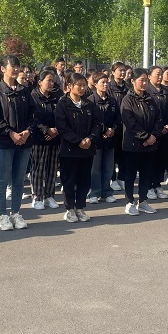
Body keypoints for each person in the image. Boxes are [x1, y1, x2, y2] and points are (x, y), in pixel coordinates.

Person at [0, 55, 35, 231]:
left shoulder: (24, 91)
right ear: (2, 69)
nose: (15, 69)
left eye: (17, 66)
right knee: (2, 180)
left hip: (24, 142)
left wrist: (28, 131)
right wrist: (10, 133)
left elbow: (33, 114)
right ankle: (2, 215)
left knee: (19, 180)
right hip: (4, 142)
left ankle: (16, 212)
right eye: (12, 66)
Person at [55, 73, 101, 223]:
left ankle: (80, 207)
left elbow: (97, 124)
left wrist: (90, 139)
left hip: (87, 149)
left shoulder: (89, 104)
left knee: (84, 180)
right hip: (69, 150)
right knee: (69, 180)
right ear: (70, 86)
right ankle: (70, 209)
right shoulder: (63, 104)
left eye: (84, 85)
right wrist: (77, 141)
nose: (82, 88)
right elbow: (62, 127)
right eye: (78, 85)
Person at [120, 68, 162, 216]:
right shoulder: (127, 100)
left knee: (146, 174)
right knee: (130, 175)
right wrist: (145, 137)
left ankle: (143, 201)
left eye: (146, 80)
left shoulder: (150, 99)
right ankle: (129, 202)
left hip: (150, 145)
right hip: (133, 144)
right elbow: (130, 123)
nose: (144, 83)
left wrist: (153, 136)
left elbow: (158, 119)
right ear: (133, 81)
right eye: (141, 80)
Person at [28, 68, 61, 211]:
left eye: (53, 81)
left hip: (55, 137)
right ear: (40, 82)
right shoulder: (33, 97)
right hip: (38, 138)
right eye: (49, 81)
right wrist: (46, 129)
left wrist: (56, 130)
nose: (52, 83)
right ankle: (37, 196)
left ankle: (49, 195)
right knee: (38, 168)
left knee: (52, 168)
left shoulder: (57, 96)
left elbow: (61, 116)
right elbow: (33, 117)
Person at [88, 72, 120, 204]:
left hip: (110, 140)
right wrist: (104, 130)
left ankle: (106, 192)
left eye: (107, 82)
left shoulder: (112, 101)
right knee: (95, 169)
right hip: (96, 140)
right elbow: (91, 121)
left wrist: (113, 129)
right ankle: (94, 192)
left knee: (108, 168)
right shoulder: (90, 101)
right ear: (95, 84)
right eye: (103, 82)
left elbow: (118, 118)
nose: (106, 85)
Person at [146, 65, 168, 198]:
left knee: (162, 159)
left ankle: (157, 185)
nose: (160, 76)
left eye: (161, 74)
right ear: (149, 76)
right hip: (151, 133)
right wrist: (156, 129)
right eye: (157, 74)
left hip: (165, 132)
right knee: (150, 160)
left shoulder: (166, 92)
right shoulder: (146, 92)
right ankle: (149, 186)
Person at [108, 62, 129, 191]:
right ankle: (113, 179)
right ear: (113, 72)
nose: (122, 73)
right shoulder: (109, 87)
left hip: (126, 126)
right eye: (119, 70)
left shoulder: (128, 88)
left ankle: (122, 177)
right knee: (112, 154)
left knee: (124, 153)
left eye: (123, 70)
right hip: (114, 125)